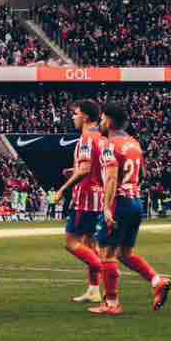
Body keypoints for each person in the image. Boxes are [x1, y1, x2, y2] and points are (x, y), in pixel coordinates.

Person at [89, 104, 171, 316]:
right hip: (135, 201)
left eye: (101, 119)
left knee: (106, 253)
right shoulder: (134, 144)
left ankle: (112, 303)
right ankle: (157, 281)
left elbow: (112, 177)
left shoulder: (109, 145)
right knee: (125, 253)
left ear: (107, 120)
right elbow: (140, 174)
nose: (100, 124)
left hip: (119, 201)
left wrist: (107, 208)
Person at [53, 99, 105, 305]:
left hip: (85, 199)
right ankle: (94, 290)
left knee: (71, 242)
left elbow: (84, 170)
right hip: (98, 196)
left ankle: (104, 267)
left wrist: (63, 188)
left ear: (84, 116)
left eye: (75, 113)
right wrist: (72, 171)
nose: (73, 117)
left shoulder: (85, 139)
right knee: (90, 243)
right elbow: (93, 168)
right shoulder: (101, 138)